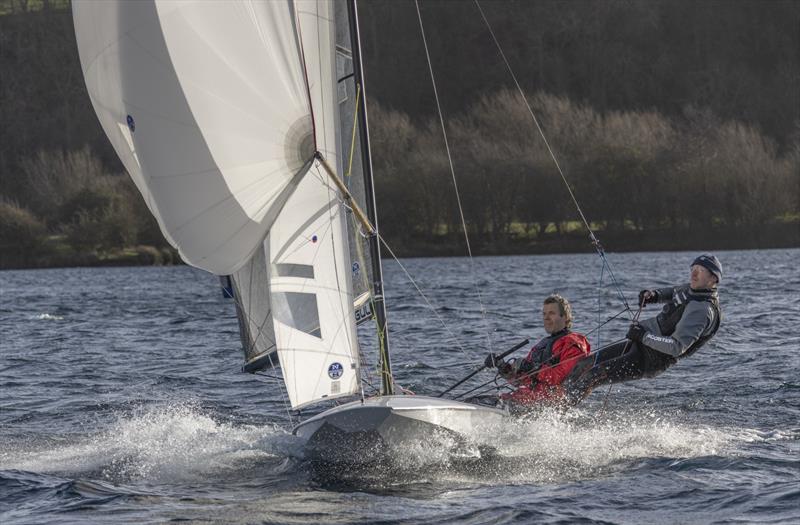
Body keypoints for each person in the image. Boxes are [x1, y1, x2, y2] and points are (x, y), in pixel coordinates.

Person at [565, 254, 723, 404]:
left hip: (651, 359)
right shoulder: (692, 289)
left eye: (701, 270)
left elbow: (676, 347)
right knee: (585, 363)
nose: (694, 274)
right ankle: (555, 398)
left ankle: (558, 416)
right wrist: (654, 295)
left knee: (593, 374)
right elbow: (673, 292)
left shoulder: (702, 311)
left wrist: (643, 336)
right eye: (693, 269)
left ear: (713, 278)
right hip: (642, 344)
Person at [484, 294, 591, 408]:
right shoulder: (542, 345)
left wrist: (532, 368)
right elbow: (520, 381)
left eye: (551, 313)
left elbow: (562, 378)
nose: (546, 317)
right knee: (482, 400)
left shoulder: (573, 344)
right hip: (525, 399)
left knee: (495, 404)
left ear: (565, 317)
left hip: (547, 405)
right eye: (544, 314)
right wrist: (503, 367)